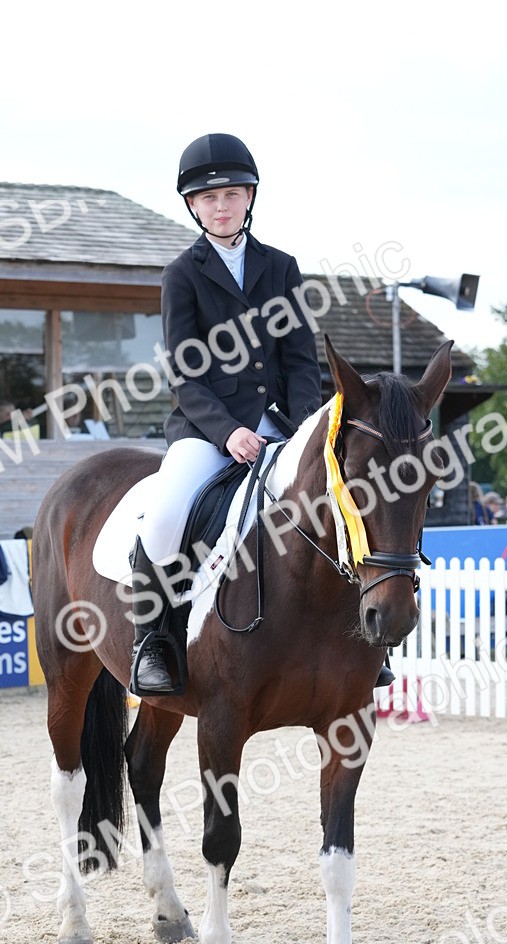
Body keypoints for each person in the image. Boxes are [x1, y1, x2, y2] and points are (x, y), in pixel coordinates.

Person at [130, 133, 394, 696]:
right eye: (207, 199)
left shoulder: (281, 267)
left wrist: (305, 431)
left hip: (283, 422)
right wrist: (228, 433)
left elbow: (301, 361)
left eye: (230, 194)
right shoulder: (182, 274)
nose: (220, 206)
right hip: (207, 429)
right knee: (165, 515)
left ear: (249, 197)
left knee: (343, 499)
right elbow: (184, 371)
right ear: (193, 206)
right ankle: (152, 640)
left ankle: (363, 631)